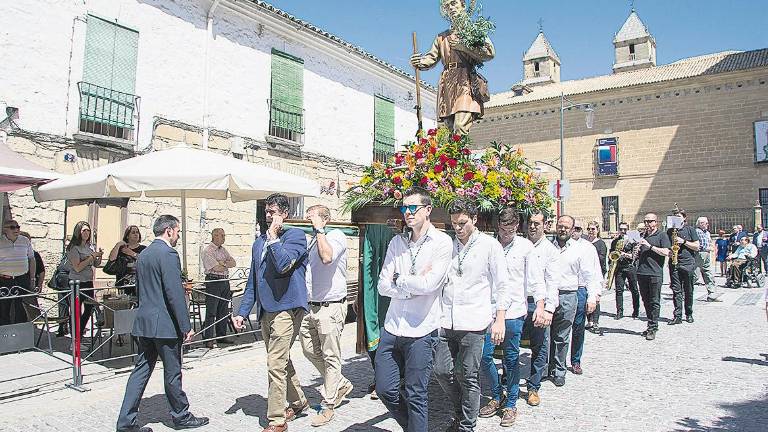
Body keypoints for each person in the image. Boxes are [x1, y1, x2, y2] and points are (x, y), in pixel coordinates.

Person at [116, 215, 209, 432]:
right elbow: (174, 292)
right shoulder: (167, 254)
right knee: (172, 371)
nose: (178, 236)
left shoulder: (145, 254)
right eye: (177, 231)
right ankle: (181, 415)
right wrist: (186, 325)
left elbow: (141, 288)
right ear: (169, 230)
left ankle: (125, 422)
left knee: (140, 371)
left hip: (145, 321)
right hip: (165, 324)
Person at [375, 188, 452, 432]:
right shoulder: (397, 242)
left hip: (422, 329)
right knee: (385, 389)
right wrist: (410, 284)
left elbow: (431, 285)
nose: (407, 213)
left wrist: (400, 280)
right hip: (393, 326)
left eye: (413, 208)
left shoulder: (441, 242)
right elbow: (382, 285)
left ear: (427, 210)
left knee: (416, 393)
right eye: (404, 208)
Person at [233, 193, 310, 432]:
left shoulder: (295, 236)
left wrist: (274, 239)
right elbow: (252, 282)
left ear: (285, 214)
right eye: (267, 212)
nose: (269, 216)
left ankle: (277, 419)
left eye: (274, 212)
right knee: (281, 360)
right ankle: (298, 401)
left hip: (287, 308)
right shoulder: (258, 243)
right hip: (266, 310)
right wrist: (242, 312)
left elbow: (284, 264)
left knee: (275, 363)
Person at [434, 199, 510, 431]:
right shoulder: (447, 245)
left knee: (467, 375)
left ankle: (467, 425)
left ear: (475, 220)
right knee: (442, 371)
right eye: (454, 223)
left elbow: (503, 285)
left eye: (463, 223)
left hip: (475, 322)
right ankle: (460, 412)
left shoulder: (489, 245)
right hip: (446, 321)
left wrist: (500, 319)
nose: (458, 228)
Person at [478, 208, 545, 427]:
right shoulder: (488, 245)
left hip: (514, 312)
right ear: (497, 226)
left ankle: (511, 403)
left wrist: (541, 306)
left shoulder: (525, 247)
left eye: (511, 229)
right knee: (485, 356)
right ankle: (498, 395)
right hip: (489, 310)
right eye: (503, 229)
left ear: (517, 227)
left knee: (511, 358)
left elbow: (536, 280)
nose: (506, 234)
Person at [299, 205, 354, 427]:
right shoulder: (310, 239)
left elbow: (327, 257)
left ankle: (328, 405)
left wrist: (320, 230)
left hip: (330, 306)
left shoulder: (336, 236)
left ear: (325, 219)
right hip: (310, 305)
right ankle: (339, 383)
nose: (308, 221)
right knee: (309, 349)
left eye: (311, 217)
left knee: (331, 356)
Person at [409, 0, 495, 135]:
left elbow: (489, 53)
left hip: (465, 81)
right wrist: (418, 61)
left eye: (454, 3)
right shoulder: (441, 37)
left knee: (460, 125)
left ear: (463, 5)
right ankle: (451, 155)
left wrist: (464, 47)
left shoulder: (473, 31)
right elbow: (431, 58)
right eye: (447, 6)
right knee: (447, 128)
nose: (451, 8)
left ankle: (461, 155)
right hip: (447, 83)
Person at [549, 216, 601, 386]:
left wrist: (593, 296)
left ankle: (559, 370)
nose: (562, 229)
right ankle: (546, 367)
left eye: (567, 227)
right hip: (549, 294)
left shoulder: (581, 249)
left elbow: (590, 275)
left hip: (569, 294)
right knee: (546, 335)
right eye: (560, 226)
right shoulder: (548, 246)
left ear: (572, 230)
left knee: (563, 335)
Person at [525, 211, 559, 406]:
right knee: (509, 346)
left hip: (539, 303)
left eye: (537, 223)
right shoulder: (520, 245)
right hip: (519, 302)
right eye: (530, 223)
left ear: (545, 225)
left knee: (539, 347)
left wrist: (548, 309)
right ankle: (508, 381)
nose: (532, 227)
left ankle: (533, 386)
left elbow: (553, 282)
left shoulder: (550, 251)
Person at [567, 220, 603, 376]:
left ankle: (575, 361)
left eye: (578, 229)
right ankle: (555, 363)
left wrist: (594, 295)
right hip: (563, 290)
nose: (575, 231)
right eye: (572, 228)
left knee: (578, 328)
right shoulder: (559, 245)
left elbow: (595, 273)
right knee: (558, 331)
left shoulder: (588, 247)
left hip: (581, 290)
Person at [635, 213, 671, 341]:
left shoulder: (662, 235)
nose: (648, 224)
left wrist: (650, 246)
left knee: (654, 301)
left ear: (656, 222)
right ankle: (650, 323)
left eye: (650, 221)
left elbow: (667, 252)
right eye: (646, 221)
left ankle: (653, 327)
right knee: (645, 300)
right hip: (641, 272)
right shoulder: (643, 235)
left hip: (655, 272)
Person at [66, 221, 103, 342]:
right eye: (84, 231)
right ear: (78, 232)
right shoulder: (73, 248)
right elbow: (77, 267)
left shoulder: (90, 246)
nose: (86, 233)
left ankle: (79, 333)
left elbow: (96, 264)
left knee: (89, 308)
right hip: (77, 282)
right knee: (76, 310)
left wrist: (99, 257)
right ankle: (75, 338)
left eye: (88, 231)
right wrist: (91, 257)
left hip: (88, 281)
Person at [201, 228, 236, 349]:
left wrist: (223, 263)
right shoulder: (208, 251)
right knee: (212, 310)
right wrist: (222, 264)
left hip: (224, 280)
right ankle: (208, 338)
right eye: (222, 235)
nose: (224, 237)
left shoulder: (223, 250)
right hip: (214, 280)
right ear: (215, 236)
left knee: (223, 309)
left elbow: (233, 263)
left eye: (224, 235)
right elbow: (216, 268)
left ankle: (222, 335)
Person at [667, 209, 700, 325]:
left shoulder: (690, 230)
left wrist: (684, 241)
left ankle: (689, 313)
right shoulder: (670, 231)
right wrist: (669, 250)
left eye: (679, 217)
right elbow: (666, 246)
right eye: (675, 217)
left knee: (688, 289)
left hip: (687, 263)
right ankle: (677, 316)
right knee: (676, 290)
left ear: (684, 218)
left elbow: (697, 246)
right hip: (674, 262)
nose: (677, 218)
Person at [0, 219, 35, 325]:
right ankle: (4, 336)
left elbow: (32, 259)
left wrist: (32, 278)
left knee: (22, 308)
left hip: (22, 279)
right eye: (12, 227)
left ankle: (20, 336)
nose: (16, 229)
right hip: (5, 279)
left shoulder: (25, 240)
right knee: (3, 309)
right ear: (5, 230)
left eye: (18, 227)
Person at [610, 222, 640, 319]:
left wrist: (625, 254)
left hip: (630, 266)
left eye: (625, 229)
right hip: (619, 267)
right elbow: (611, 254)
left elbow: (636, 256)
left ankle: (636, 310)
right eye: (621, 229)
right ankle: (619, 312)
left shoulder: (633, 239)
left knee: (634, 289)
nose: (623, 231)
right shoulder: (615, 241)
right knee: (619, 290)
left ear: (628, 229)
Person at [107, 225, 146, 296]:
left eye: (137, 232)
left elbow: (146, 261)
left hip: (139, 284)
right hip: (123, 284)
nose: (136, 234)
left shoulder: (144, 249)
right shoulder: (121, 249)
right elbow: (111, 260)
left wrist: (132, 253)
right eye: (133, 232)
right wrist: (118, 245)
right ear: (127, 236)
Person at [584, 221, 607, 334]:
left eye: (593, 229)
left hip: (597, 273)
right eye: (589, 229)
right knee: (587, 297)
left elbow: (602, 258)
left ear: (597, 230)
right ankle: (590, 321)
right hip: (586, 274)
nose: (591, 231)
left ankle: (596, 322)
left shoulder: (600, 243)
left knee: (596, 297)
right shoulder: (585, 242)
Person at [18, 231, 44, 321]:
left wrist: (39, 284)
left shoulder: (34, 254)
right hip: (16, 284)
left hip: (29, 285)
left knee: (30, 309)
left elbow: (41, 271)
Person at [694, 217, 719, 302]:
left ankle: (712, 294)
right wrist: (707, 248)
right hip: (700, 254)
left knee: (708, 273)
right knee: (695, 275)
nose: (708, 225)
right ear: (701, 223)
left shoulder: (707, 233)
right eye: (706, 223)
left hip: (707, 254)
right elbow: (697, 244)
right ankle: (683, 291)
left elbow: (709, 242)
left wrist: (711, 247)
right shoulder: (697, 232)